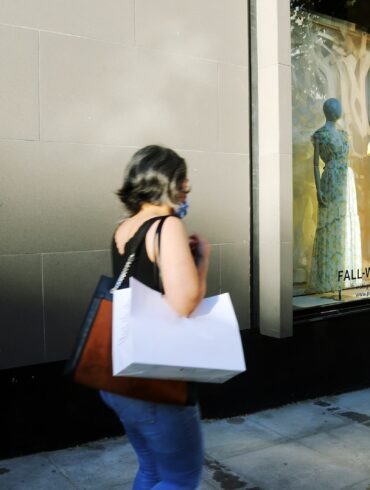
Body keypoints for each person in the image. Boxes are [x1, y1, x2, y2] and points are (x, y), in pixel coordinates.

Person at [100, 145, 211, 489]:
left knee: (152, 469)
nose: (187, 186)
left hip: (121, 373)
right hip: (157, 378)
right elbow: (185, 302)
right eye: (182, 179)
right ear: (167, 182)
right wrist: (203, 262)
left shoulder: (125, 227)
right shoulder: (167, 226)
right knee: (181, 477)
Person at [308, 98, 362, 293]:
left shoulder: (343, 134)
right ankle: (329, 278)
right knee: (330, 224)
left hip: (346, 181)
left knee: (345, 223)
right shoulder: (320, 135)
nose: (339, 108)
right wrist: (318, 189)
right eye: (335, 106)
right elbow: (315, 164)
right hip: (330, 179)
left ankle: (344, 276)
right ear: (329, 111)